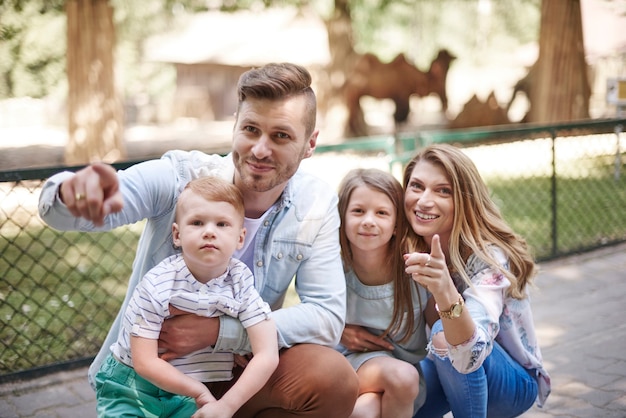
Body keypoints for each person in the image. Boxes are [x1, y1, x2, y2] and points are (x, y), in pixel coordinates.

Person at [38, 62, 359, 417]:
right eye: (251, 129)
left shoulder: (315, 202)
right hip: (151, 376)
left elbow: (326, 317)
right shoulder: (181, 177)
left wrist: (217, 332)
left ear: (309, 144)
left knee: (332, 377)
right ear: (235, 124)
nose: (260, 150)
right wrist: (71, 194)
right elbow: (70, 211)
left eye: (281, 136)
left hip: (235, 371)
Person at [95, 176, 278, 418]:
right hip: (132, 384)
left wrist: (226, 406)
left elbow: (267, 353)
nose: (209, 232)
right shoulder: (159, 283)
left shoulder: (240, 281)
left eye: (222, 224)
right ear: (177, 234)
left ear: (240, 237)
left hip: (190, 389)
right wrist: (198, 391)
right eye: (197, 222)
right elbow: (144, 362)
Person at [402, 144, 551, 418]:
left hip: (512, 383)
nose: (424, 200)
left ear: (464, 200)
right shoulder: (407, 248)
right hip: (444, 366)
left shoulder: (488, 257)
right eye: (417, 186)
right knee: (400, 384)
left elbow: (472, 351)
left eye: (443, 190)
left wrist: (446, 292)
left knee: (444, 335)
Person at [335, 168, 429, 418]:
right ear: (342, 217)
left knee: (364, 413)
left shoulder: (414, 270)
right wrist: (336, 328)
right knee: (401, 377)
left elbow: (441, 327)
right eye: (358, 211)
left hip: (402, 382)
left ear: (397, 224)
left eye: (381, 213)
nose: (368, 220)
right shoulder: (333, 265)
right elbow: (311, 315)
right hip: (342, 367)